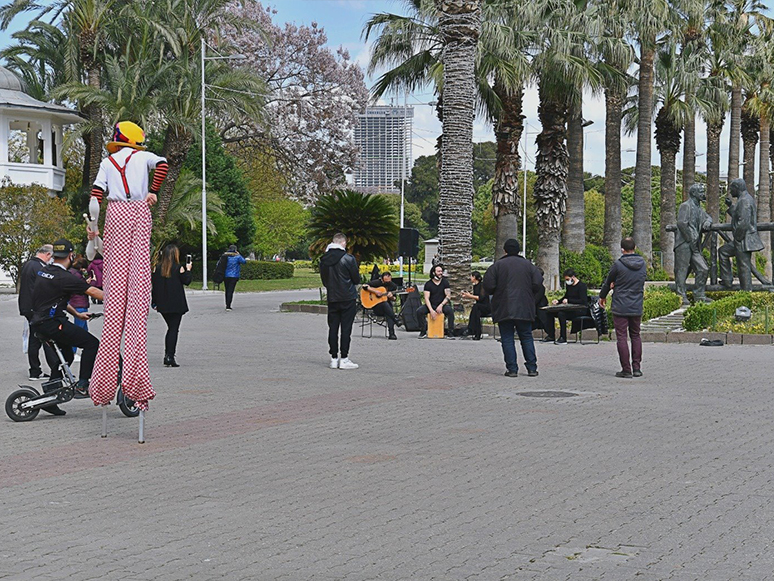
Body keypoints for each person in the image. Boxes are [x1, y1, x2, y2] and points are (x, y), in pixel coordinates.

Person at [87, 121, 169, 412]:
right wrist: (153, 192)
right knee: (138, 280)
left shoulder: (108, 162)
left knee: (115, 281)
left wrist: (94, 229)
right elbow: (163, 165)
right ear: (136, 141)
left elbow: (96, 196)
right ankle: (137, 382)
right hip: (139, 211)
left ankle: (104, 384)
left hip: (117, 214)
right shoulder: (144, 157)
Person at [29, 239, 105, 415]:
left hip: (40, 323)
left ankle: (50, 398)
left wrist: (77, 315)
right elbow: (94, 292)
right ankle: (83, 384)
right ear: (70, 256)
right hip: (53, 324)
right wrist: (120, 299)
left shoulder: (44, 271)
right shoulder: (66, 277)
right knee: (92, 344)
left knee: (67, 357)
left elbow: (56, 299)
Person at [483, 239, 544, 377]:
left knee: (507, 338)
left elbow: (488, 286)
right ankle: (532, 368)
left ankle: (512, 369)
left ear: (505, 250)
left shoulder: (497, 266)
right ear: (518, 250)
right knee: (526, 337)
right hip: (524, 307)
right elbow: (538, 282)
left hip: (504, 306)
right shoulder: (528, 265)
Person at [599, 237, 647, 378]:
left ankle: (626, 370)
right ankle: (637, 368)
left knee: (622, 337)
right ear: (635, 247)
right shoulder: (642, 263)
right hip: (636, 303)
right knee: (636, 336)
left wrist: (603, 296)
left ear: (622, 249)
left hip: (620, 304)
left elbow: (608, 282)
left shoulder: (618, 264)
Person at [320, 233, 360, 369]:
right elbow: (356, 279)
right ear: (343, 243)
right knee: (346, 329)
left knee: (333, 328)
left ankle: (333, 357)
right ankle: (344, 358)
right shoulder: (348, 258)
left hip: (332, 297)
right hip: (347, 297)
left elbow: (324, 280)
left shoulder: (324, 259)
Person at [718, 178, 764, 291]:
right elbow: (740, 216)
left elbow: (743, 222)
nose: (730, 191)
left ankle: (746, 292)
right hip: (743, 238)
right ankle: (727, 280)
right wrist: (731, 207)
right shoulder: (743, 199)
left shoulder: (745, 201)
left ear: (737, 188)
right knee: (723, 251)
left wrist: (738, 238)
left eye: (731, 188)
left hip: (744, 239)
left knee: (743, 267)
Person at [152, 244, 193, 367]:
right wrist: (188, 269)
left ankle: (168, 355)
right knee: (173, 329)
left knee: (171, 328)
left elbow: (154, 287)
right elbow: (187, 281)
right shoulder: (178, 268)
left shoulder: (157, 268)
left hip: (163, 304)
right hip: (176, 304)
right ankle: (169, 355)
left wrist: (154, 302)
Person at [18, 244, 55, 381]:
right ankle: (55, 370)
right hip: (37, 309)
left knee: (34, 340)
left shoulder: (28, 264)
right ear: (48, 255)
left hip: (27, 308)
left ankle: (35, 370)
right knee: (46, 339)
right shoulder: (40, 267)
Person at [675, 184, 712, 304]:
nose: (703, 194)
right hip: (684, 243)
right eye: (701, 192)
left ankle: (699, 295)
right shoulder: (685, 206)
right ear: (694, 193)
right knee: (682, 269)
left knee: (703, 269)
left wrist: (707, 222)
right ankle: (681, 296)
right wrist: (690, 237)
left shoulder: (699, 209)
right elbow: (681, 223)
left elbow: (709, 217)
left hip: (695, 246)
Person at [541, 268, 589, 344]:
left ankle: (563, 337)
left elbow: (583, 301)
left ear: (573, 277)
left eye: (568, 279)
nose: (567, 281)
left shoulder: (582, 286)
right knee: (549, 313)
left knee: (561, 314)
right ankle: (551, 335)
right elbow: (566, 296)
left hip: (579, 310)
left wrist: (569, 301)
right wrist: (558, 301)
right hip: (569, 308)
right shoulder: (569, 286)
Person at [417, 264, 454, 338]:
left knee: (450, 311)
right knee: (419, 311)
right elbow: (426, 298)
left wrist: (441, 305)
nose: (440, 273)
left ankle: (450, 332)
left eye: (441, 271)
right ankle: (423, 330)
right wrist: (431, 310)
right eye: (438, 271)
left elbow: (448, 296)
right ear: (434, 273)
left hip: (441, 304)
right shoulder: (428, 284)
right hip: (431, 305)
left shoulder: (445, 282)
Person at [363, 271, 402, 340]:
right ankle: (395, 320)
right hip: (376, 307)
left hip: (387, 308)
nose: (387, 283)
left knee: (387, 309)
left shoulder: (393, 286)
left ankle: (392, 334)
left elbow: (394, 299)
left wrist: (391, 297)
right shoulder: (377, 282)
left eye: (389, 281)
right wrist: (375, 291)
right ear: (382, 279)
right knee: (386, 305)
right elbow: (364, 286)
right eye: (385, 281)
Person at [461, 271, 490, 340]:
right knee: (476, 311)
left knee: (475, 307)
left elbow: (481, 298)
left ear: (474, 277)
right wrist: (467, 296)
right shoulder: (475, 286)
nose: (470, 278)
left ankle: (471, 329)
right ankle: (476, 332)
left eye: (471, 276)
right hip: (479, 307)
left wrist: (469, 296)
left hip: (486, 306)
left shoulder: (482, 285)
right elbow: (475, 297)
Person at [68, 257, 94, 333]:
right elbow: (83, 287)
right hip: (80, 303)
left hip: (75, 301)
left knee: (84, 329)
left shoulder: (72, 272)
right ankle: (74, 345)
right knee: (79, 330)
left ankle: (86, 344)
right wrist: (88, 283)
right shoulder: (77, 275)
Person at [221, 245, 246, 311]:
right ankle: (228, 306)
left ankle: (227, 304)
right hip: (234, 276)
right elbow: (244, 262)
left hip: (226, 275)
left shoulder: (225, 256)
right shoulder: (237, 257)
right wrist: (239, 254)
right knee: (231, 291)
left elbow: (219, 264)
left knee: (227, 290)